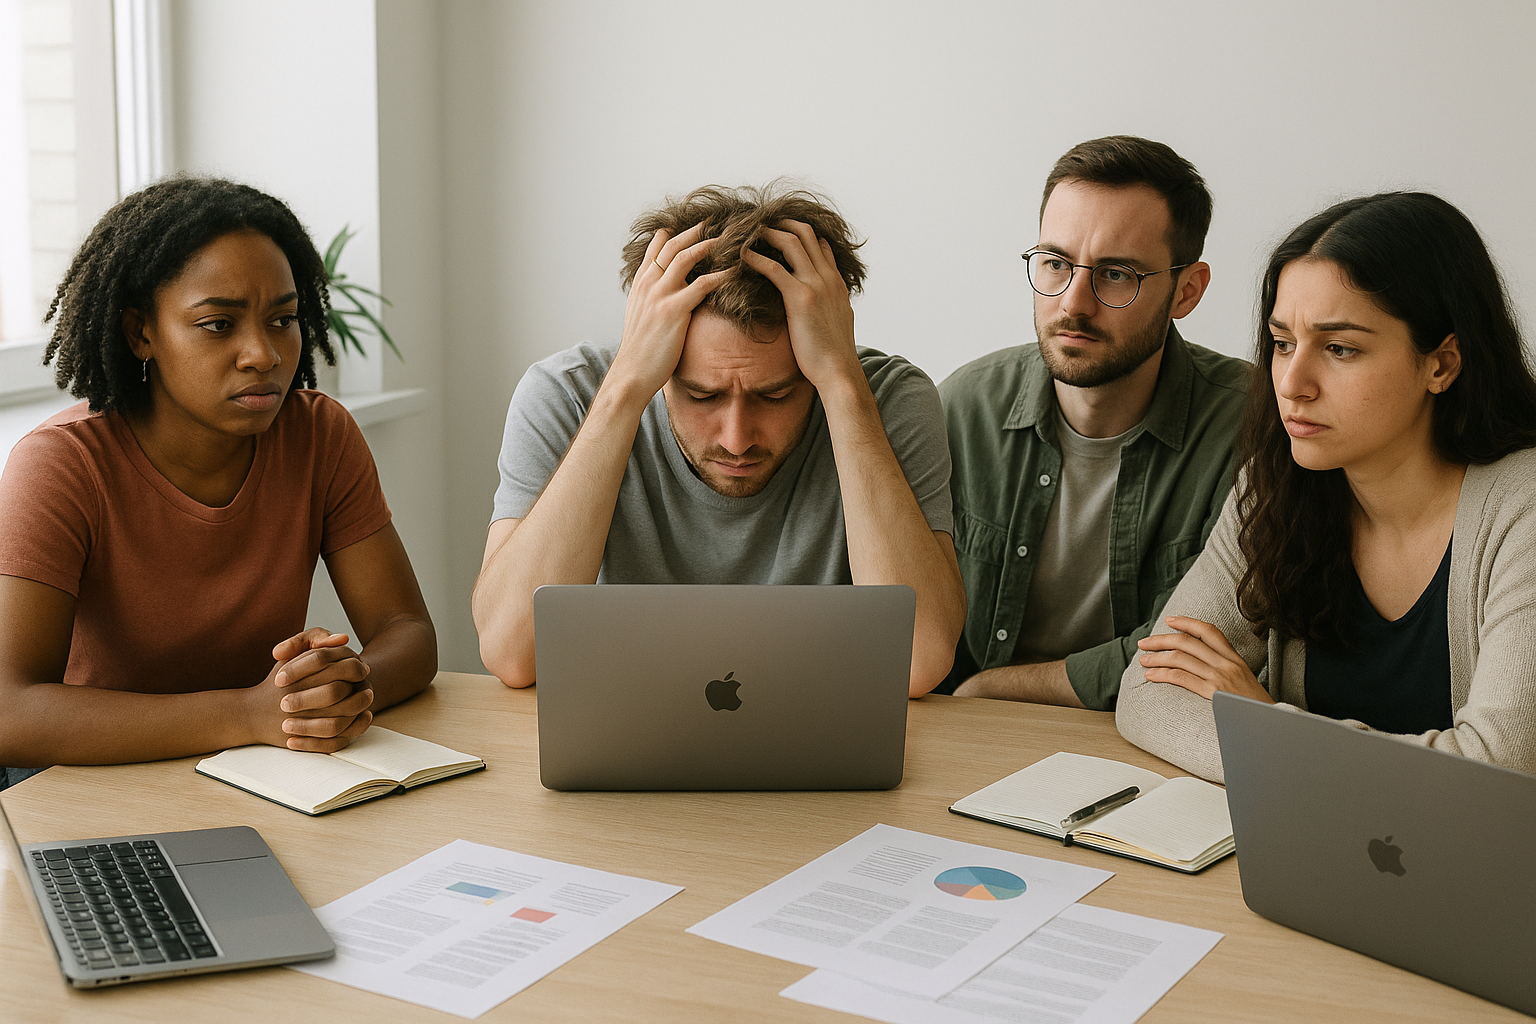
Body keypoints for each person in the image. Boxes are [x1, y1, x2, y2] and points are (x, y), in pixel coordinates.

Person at [0, 176, 438, 790]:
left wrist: (342, 688)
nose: (262, 353)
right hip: (82, 783)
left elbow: (408, 634)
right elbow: (10, 712)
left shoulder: (319, 436)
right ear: (140, 333)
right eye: (217, 325)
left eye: (283, 319)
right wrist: (249, 713)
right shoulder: (61, 466)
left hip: (255, 769)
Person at [473, 182, 965, 696]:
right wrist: (625, 389)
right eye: (701, 395)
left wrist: (841, 384)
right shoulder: (567, 394)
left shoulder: (886, 398)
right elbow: (512, 653)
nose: (736, 439)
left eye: (775, 396)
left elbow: (918, 661)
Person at [1117, 191, 1536, 782]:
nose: (1293, 383)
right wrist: (1303, 755)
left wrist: (1267, 726)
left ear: (1441, 364)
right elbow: (1148, 691)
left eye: (1340, 349)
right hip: (1323, 858)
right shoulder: (1276, 487)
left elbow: (1500, 772)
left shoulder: (1525, 506)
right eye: (1283, 343)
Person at [938, 136, 1249, 710]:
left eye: (1115, 274)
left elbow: (1202, 649)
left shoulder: (1249, 427)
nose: (1073, 302)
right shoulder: (962, 408)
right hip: (968, 734)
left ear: (1187, 291)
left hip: (1148, 740)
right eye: (1055, 263)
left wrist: (996, 686)